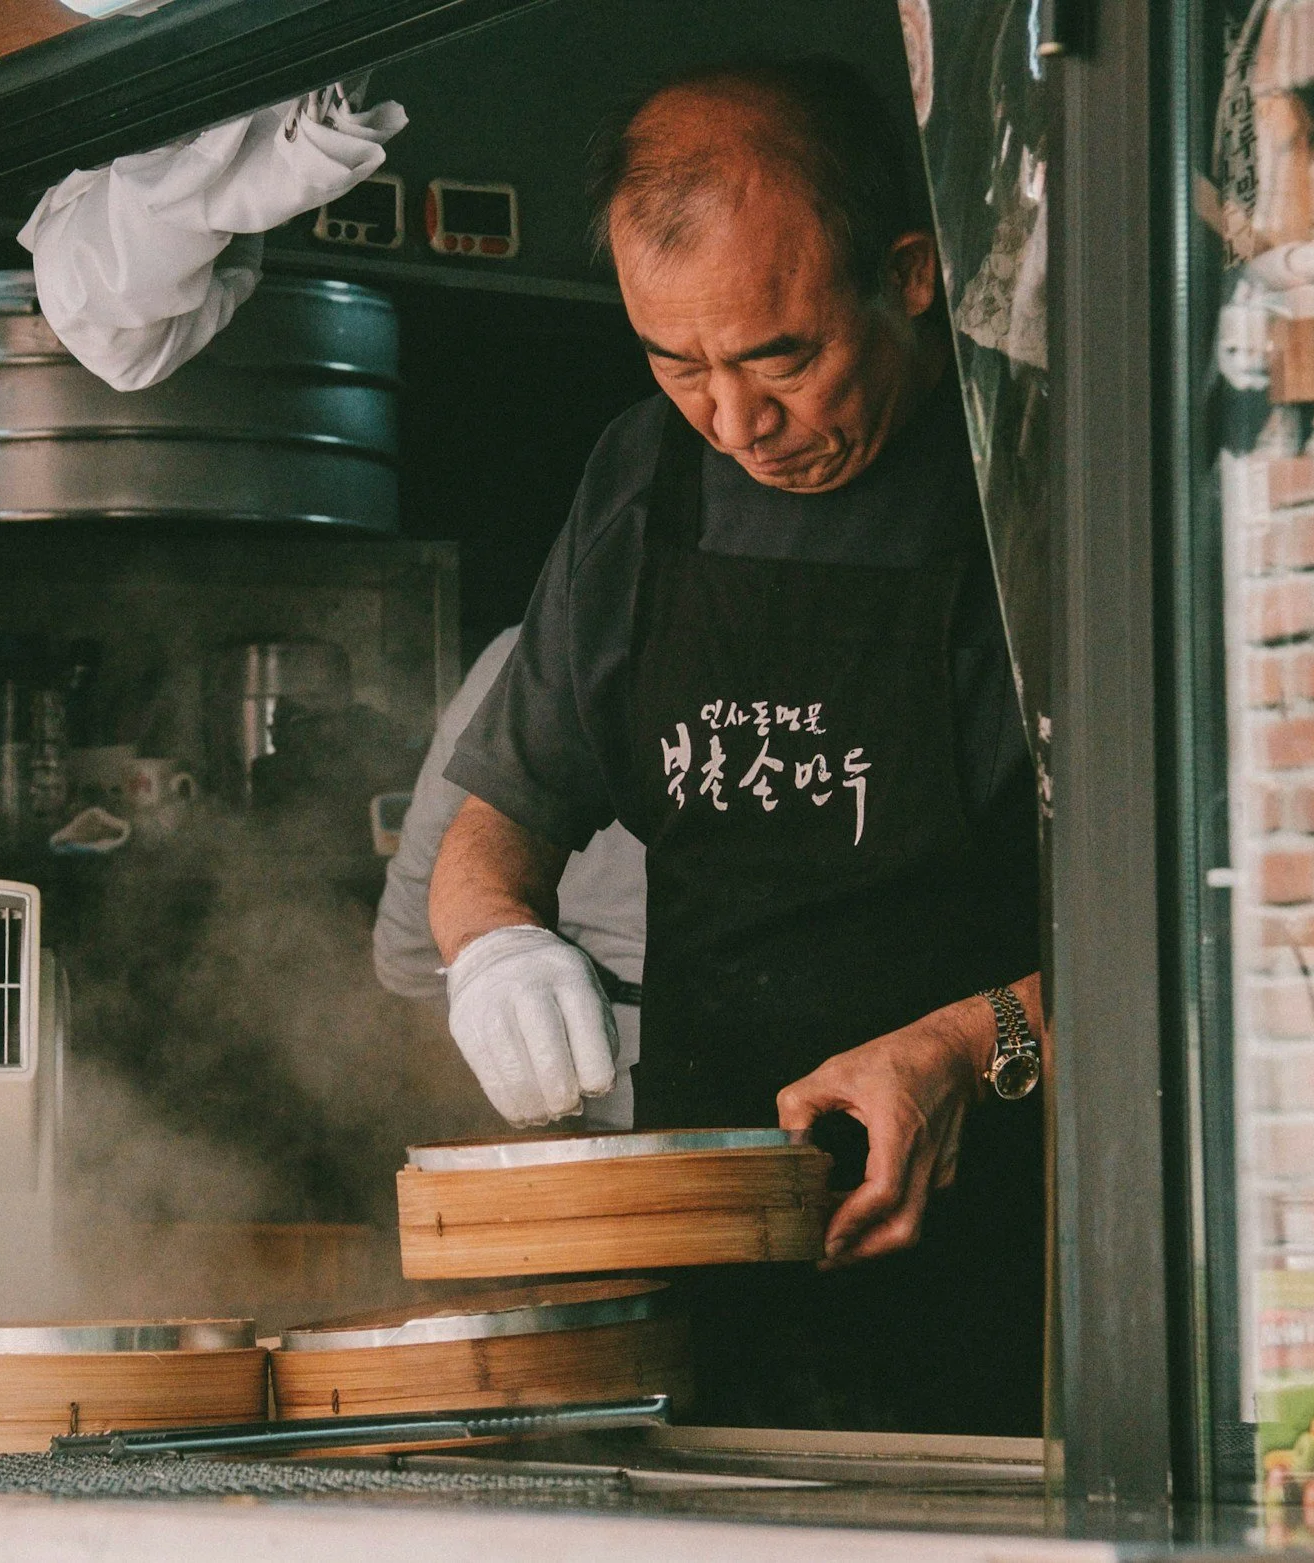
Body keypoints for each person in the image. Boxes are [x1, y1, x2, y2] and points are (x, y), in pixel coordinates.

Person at [427, 59, 1045, 1433]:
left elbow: (1213, 929)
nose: (734, 420)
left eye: (782, 357)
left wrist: (966, 1042)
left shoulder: (1049, 471)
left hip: (1038, 1286)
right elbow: (492, 828)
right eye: (676, 361)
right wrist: (493, 946)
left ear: (912, 275)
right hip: (715, 1286)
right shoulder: (642, 480)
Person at [373, 627, 647, 1127]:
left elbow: (408, 949)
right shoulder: (542, 649)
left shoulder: (543, 646)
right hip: (806, 1091)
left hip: (575, 1090)